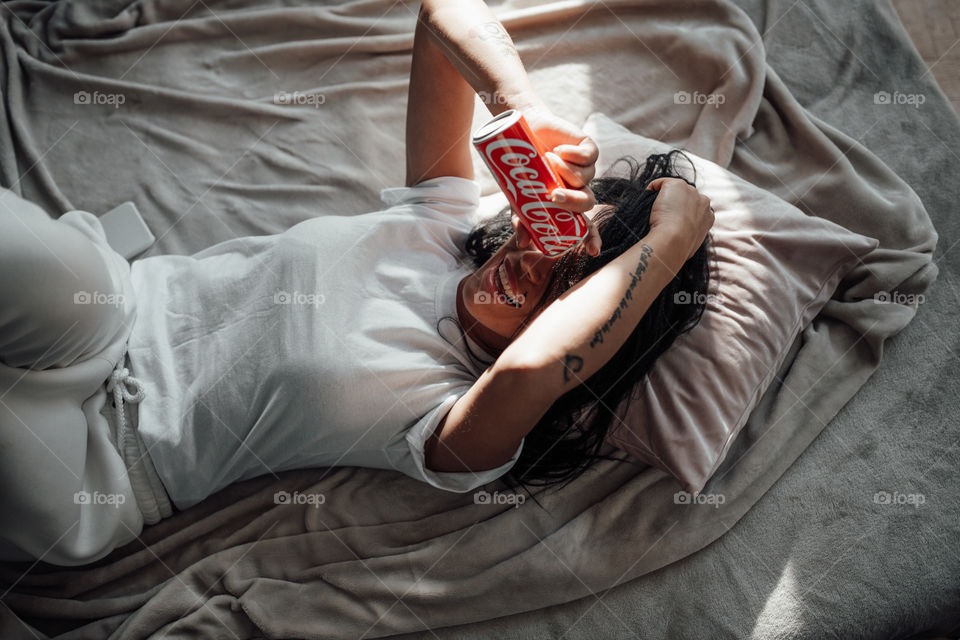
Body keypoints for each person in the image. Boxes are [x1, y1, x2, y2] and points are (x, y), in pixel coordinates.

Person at [0, 0, 713, 567]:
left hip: (105, 462)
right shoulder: (439, 221)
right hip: (110, 310)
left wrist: (671, 241)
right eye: (550, 232)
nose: (536, 258)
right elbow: (440, 16)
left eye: (572, 278)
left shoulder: (459, 424)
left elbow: (536, 370)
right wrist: (514, 101)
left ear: (600, 319)